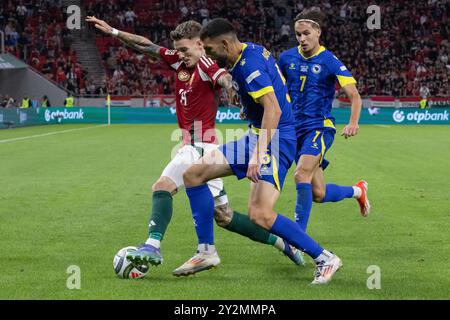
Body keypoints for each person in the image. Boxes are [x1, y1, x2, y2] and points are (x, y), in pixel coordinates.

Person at [86, 17, 303, 269]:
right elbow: (148, 46)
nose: (181, 55)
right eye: (178, 50)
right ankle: (282, 244)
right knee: (225, 217)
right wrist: (113, 31)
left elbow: (223, 77)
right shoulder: (179, 60)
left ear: (200, 45)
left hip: (201, 145)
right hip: (198, 147)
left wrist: (233, 91)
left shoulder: (207, 64)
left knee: (162, 185)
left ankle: (152, 246)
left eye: (185, 50)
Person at [174, 18, 342, 284]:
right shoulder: (251, 51)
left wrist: (257, 155)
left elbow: (273, 110)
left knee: (261, 215)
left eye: (210, 49)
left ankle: (325, 258)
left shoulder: (249, 64)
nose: (207, 55)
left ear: (225, 43)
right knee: (193, 175)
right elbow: (270, 96)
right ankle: (206, 251)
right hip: (258, 133)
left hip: (276, 140)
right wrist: (250, 107)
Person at [278, 8, 370, 234]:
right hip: (292, 129)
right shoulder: (286, 58)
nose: (302, 39)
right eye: (298, 34)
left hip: (319, 127)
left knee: (300, 174)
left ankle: (297, 238)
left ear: (317, 32)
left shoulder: (330, 61)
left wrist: (353, 122)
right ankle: (358, 191)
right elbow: (276, 90)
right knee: (318, 193)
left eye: (306, 33)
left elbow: (354, 95)